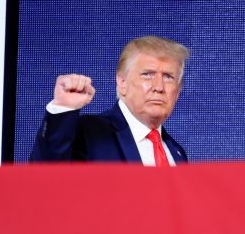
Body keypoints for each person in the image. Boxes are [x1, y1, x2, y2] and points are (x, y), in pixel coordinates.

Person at [30, 36, 190, 165]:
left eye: (168, 77)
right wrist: (63, 108)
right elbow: (44, 173)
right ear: (122, 83)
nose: (159, 87)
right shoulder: (89, 133)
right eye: (147, 74)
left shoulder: (177, 152)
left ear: (177, 91)